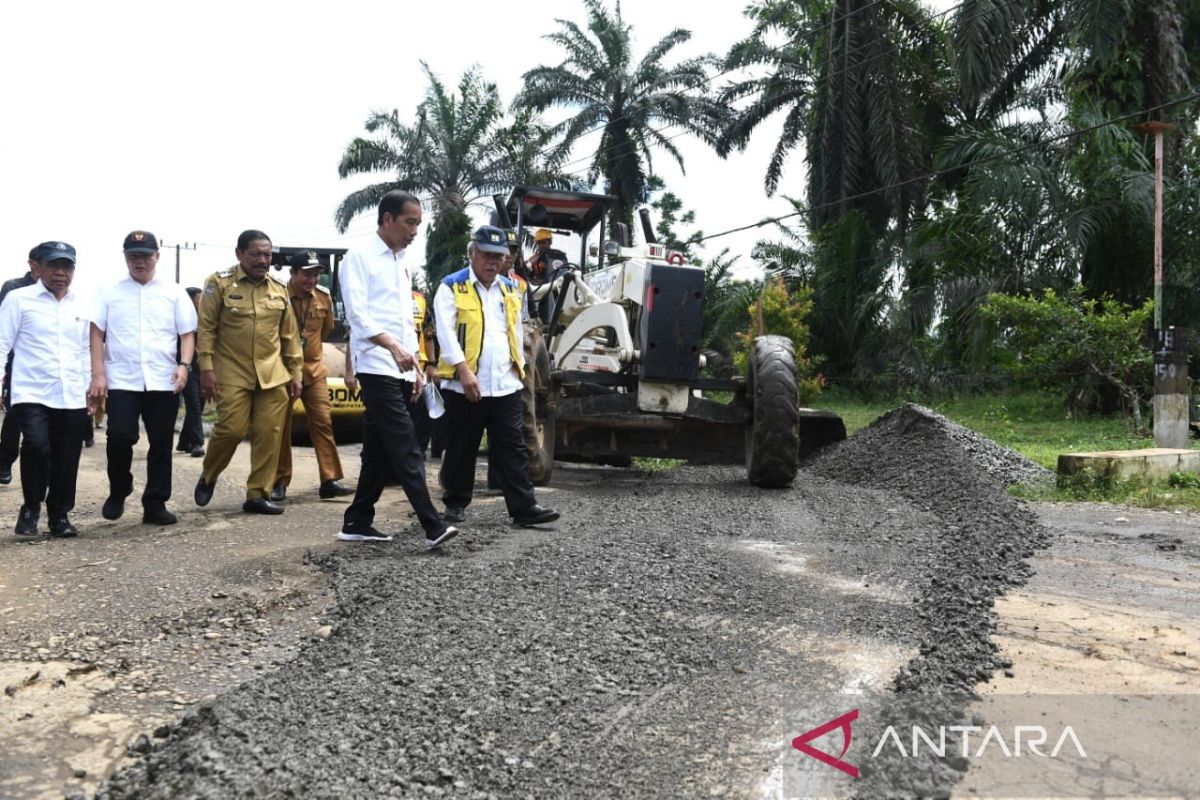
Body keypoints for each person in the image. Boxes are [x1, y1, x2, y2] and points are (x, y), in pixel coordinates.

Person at [338, 191, 457, 548]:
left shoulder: (401, 261)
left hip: (403, 368)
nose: (415, 231)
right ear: (387, 219)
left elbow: (408, 323)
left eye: (418, 224)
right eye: (409, 222)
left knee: (377, 448)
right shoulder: (358, 257)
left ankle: (358, 520)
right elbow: (358, 316)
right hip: (376, 365)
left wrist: (416, 368)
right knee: (406, 444)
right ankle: (432, 524)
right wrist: (391, 347)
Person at [435, 226, 559, 528]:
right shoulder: (452, 287)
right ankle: (455, 503)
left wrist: (520, 370)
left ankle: (523, 507)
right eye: (487, 255)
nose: (493, 262)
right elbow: (446, 334)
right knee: (462, 446)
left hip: (505, 383)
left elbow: (515, 330)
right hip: (465, 384)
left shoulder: (509, 288)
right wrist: (463, 371)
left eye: (499, 256)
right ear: (472, 253)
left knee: (513, 447)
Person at [88, 231, 197, 526]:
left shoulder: (174, 292)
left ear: (157, 257)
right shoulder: (109, 291)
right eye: (133, 256)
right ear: (125, 257)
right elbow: (96, 333)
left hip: (163, 379)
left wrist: (184, 365)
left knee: (161, 441)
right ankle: (120, 486)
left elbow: (187, 334)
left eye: (145, 256)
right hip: (122, 378)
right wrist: (98, 373)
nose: (140, 262)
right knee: (120, 435)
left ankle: (155, 502)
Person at [194, 230, 303, 515]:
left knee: (270, 433)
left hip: (272, 373)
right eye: (256, 254)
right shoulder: (218, 283)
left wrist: (296, 373)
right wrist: (206, 369)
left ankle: (258, 493)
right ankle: (209, 474)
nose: (262, 260)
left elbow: (289, 336)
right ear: (239, 254)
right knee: (231, 429)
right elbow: (206, 329)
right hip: (231, 371)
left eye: (267, 255)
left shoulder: (279, 290)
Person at [0, 242, 92, 537]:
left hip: (71, 392)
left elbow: (85, 351)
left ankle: (59, 515)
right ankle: (31, 507)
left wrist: (90, 386)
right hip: (31, 391)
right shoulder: (18, 299)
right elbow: (2, 343)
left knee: (67, 455)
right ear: (37, 267)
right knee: (36, 446)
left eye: (67, 267)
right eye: (54, 266)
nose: (61, 273)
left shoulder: (81, 304)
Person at [270, 251, 354, 502]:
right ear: (292, 273)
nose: (312, 279)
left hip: (314, 371)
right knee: (281, 428)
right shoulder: (277, 296)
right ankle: (279, 481)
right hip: (282, 372)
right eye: (307, 274)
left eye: (316, 274)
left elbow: (326, 329)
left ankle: (329, 480)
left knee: (323, 422)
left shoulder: (324, 298)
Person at [0, 245, 44, 485]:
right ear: (32, 264)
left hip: (45, 365)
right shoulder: (14, 288)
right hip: (16, 363)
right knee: (15, 414)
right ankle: (5, 460)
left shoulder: (61, 290)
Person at [175, 287, 206, 457]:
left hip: (201, 367)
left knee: (199, 404)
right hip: (185, 366)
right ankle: (196, 442)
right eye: (198, 299)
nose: (201, 302)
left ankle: (184, 440)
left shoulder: (204, 321)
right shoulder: (181, 320)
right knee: (193, 402)